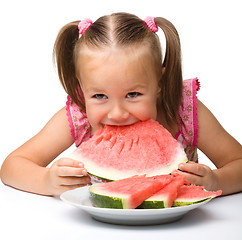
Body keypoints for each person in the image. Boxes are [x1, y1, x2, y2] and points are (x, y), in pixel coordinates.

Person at [0, 13, 241, 197]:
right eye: (100, 96)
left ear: (160, 82)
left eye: (133, 94)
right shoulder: (78, 116)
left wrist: (215, 181)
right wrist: (46, 180)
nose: (117, 114)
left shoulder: (184, 111)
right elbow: (11, 166)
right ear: (81, 89)